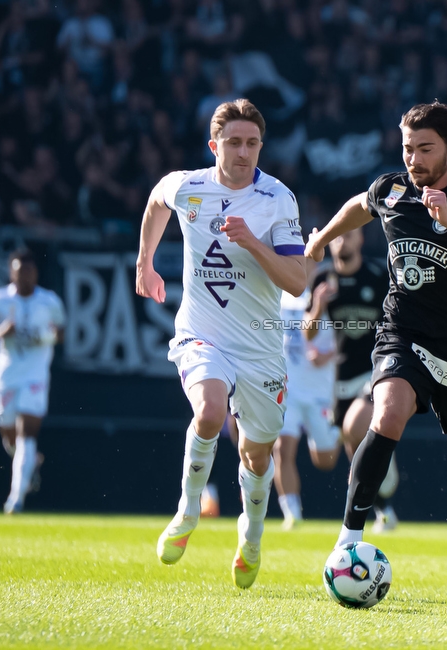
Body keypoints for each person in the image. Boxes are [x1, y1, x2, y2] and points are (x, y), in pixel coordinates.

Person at [305, 101, 447, 606]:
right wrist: (322, 238)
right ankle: (348, 541)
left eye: (425, 149)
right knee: (389, 410)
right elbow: (360, 204)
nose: (415, 159)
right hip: (405, 333)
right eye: (407, 149)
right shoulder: (392, 188)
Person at [135, 98, 306, 589]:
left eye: (252, 143)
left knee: (257, 456)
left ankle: (250, 535)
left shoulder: (277, 199)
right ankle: (188, 512)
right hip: (202, 333)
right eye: (234, 142)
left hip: (260, 348)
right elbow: (155, 200)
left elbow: (296, 281)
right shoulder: (188, 186)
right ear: (215, 146)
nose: (244, 152)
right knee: (209, 411)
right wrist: (145, 263)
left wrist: (254, 242)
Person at [304, 228, 400, 533]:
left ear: (361, 239)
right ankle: (383, 508)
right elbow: (308, 332)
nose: (341, 241)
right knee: (345, 448)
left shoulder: (376, 274)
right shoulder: (322, 279)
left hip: (376, 370)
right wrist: (318, 306)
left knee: (354, 428)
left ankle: (375, 499)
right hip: (340, 379)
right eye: (336, 237)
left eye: (349, 235)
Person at [0, 249, 67, 514]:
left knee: (27, 433)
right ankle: (31, 465)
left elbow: (61, 332)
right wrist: (2, 331)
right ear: (11, 273)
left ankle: (15, 499)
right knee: (10, 437)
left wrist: (47, 337)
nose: (24, 276)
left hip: (35, 376)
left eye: (28, 271)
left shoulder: (49, 301)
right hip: (7, 375)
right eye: (19, 271)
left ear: (35, 273)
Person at [273, 284, 341, 529]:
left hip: (319, 391)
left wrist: (330, 354)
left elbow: (351, 338)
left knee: (325, 460)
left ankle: (339, 432)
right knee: (282, 450)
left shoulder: (328, 293)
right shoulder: (277, 296)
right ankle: (291, 513)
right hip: (288, 389)